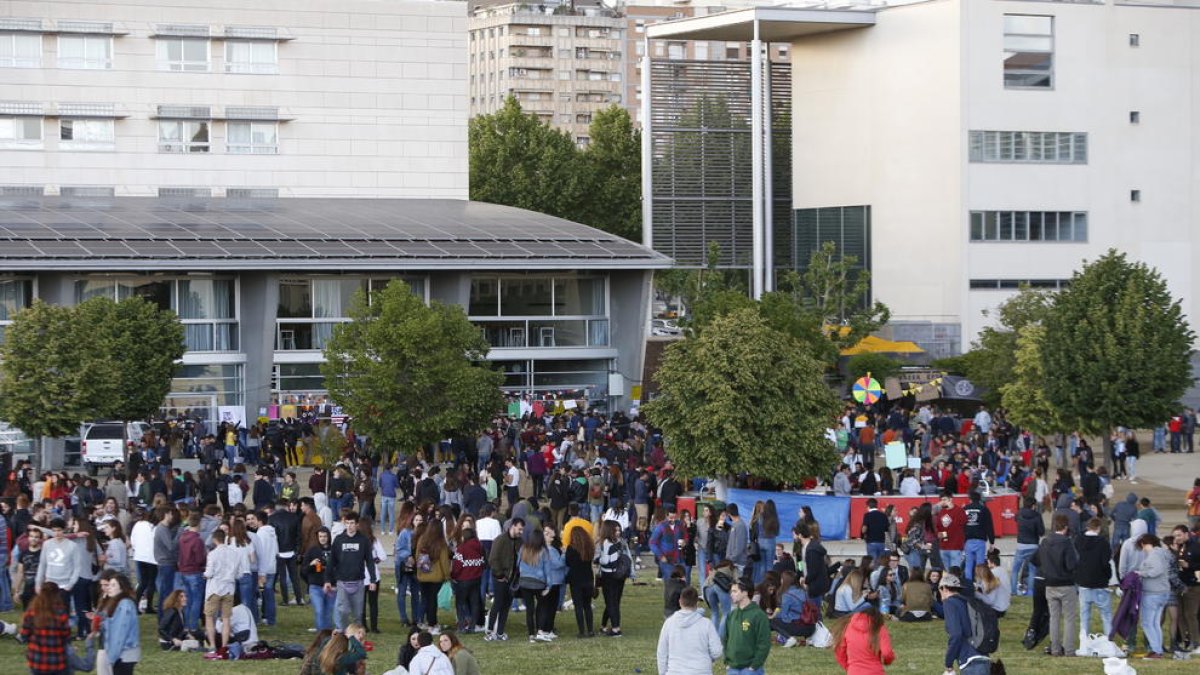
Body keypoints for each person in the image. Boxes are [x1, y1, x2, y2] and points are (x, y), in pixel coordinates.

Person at [328, 511, 379, 631]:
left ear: (357, 525)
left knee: (358, 614)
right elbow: (331, 562)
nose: (349, 526)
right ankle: (343, 633)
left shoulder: (363, 540)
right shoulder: (339, 540)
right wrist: (327, 580)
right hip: (342, 582)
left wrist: (372, 580)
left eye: (352, 523)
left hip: (358, 582)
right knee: (343, 611)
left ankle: (357, 637)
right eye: (347, 523)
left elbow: (370, 561)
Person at [1037, 513, 1079, 657]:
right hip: (1066, 584)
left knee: (1054, 618)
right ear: (1066, 527)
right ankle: (1069, 650)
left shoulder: (1045, 542)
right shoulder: (1066, 543)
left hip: (1050, 584)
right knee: (1069, 618)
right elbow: (1071, 564)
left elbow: (1039, 560)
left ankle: (1055, 649)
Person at [657, 586, 723, 675]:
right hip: (701, 671)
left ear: (680, 601)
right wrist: (706, 659)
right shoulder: (706, 624)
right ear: (696, 603)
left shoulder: (669, 623)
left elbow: (662, 653)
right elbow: (717, 651)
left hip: (675, 671)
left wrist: (663, 672)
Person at [939, 572, 989, 675]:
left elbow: (956, 634)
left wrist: (948, 662)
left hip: (970, 661)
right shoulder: (968, 602)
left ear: (944, 588)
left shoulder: (949, 603)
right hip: (984, 657)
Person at [484, 517, 524, 641]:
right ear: (512, 526)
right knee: (497, 604)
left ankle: (500, 631)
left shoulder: (519, 542)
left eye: (522, 530)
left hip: (512, 578)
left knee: (506, 606)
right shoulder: (500, 540)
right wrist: (499, 575)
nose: (520, 532)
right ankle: (490, 631)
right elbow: (493, 559)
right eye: (519, 529)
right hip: (500, 578)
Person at [20, 582, 72, 675]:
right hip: (57, 660)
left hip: (36, 659)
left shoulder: (32, 611)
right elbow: (66, 636)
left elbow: (24, 634)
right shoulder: (61, 612)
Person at [1135, 533, 1173, 659]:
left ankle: (1156, 650)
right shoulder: (1162, 553)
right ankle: (1157, 649)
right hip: (1162, 592)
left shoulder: (1154, 555)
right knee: (1155, 623)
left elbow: (1156, 570)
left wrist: (1141, 573)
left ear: (1143, 544)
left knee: (1147, 623)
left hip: (1153, 593)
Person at [722, 580, 771, 675]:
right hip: (732, 668)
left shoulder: (758, 615)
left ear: (745, 593)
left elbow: (764, 643)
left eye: (735, 591)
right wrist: (727, 661)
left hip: (750, 669)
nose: (731, 594)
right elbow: (726, 639)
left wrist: (754, 666)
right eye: (731, 591)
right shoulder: (731, 615)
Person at [1075, 516, 1113, 637]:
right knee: (1106, 615)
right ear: (1098, 528)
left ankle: (1084, 640)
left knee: (1084, 615)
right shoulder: (1103, 543)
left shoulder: (1078, 540)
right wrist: (1108, 576)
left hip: (1083, 582)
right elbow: (1105, 563)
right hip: (1100, 583)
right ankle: (1109, 641)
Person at [97, 570, 141, 674]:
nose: (109, 588)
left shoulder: (124, 604)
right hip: (120, 653)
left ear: (121, 587)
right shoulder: (117, 603)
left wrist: (112, 657)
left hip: (124, 654)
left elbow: (120, 632)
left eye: (113, 585)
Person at [413, 513, 450, 632]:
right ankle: (432, 624)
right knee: (432, 600)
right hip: (436, 577)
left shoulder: (422, 539)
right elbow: (444, 561)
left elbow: (417, 556)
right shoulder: (441, 543)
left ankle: (421, 621)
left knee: (425, 599)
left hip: (423, 575)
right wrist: (447, 575)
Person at [834, 605, 896, 675]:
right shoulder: (880, 629)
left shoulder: (848, 628)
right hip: (875, 671)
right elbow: (887, 653)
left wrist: (850, 667)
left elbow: (839, 651)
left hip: (854, 671)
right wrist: (888, 661)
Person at [517, 526, 554, 643]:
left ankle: (531, 634)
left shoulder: (523, 548)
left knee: (529, 609)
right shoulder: (543, 551)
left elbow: (517, 564)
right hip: (539, 583)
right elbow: (547, 570)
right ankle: (540, 631)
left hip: (524, 582)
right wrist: (549, 585)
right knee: (542, 607)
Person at [596, 519, 628, 637]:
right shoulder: (620, 542)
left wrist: (597, 560)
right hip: (620, 575)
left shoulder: (606, 543)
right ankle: (604, 625)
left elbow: (605, 561)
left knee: (610, 602)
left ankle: (615, 628)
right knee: (614, 602)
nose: (618, 532)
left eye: (619, 530)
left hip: (609, 576)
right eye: (616, 530)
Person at [450, 527, 485, 633]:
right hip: (476, 579)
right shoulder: (480, 547)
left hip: (463, 580)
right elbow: (484, 562)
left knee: (460, 603)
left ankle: (461, 626)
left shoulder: (461, 548)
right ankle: (472, 627)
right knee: (474, 603)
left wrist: (453, 576)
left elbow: (457, 565)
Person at [565, 526, 596, 637]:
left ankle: (582, 631)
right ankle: (591, 629)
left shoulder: (571, 548)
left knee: (578, 606)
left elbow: (567, 563)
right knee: (587, 606)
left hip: (575, 581)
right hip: (588, 579)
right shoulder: (589, 547)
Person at [302, 527, 335, 631]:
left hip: (332, 586)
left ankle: (327, 632)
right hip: (316, 586)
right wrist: (311, 564)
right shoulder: (312, 550)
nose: (323, 538)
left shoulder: (334, 550)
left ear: (329, 537)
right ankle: (321, 633)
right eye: (320, 536)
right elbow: (303, 570)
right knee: (319, 610)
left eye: (325, 536)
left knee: (329, 611)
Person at [1013, 496, 1044, 596]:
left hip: (1021, 545)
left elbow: (1015, 520)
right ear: (1033, 506)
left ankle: (1013, 591)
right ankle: (1030, 592)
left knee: (1015, 570)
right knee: (1032, 570)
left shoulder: (1019, 513)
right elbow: (1041, 532)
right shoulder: (1037, 516)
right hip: (1033, 545)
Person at [962, 491, 994, 582]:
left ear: (970, 499)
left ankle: (968, 585)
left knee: (968, 564)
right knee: (980, 565)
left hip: (968, 540)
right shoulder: (984, 509)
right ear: (980, 499)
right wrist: (992, 542)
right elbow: (989, 526)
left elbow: (961, 525)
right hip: (980, 540)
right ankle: (980, 584)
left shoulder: (964, 509)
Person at [936, 491, 967, 574]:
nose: (943, 502)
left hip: (955, 547)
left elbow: (963, 522)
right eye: (941, 500)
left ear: (951, 499)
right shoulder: (941, 512)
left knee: (955, 573)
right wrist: (938, 534)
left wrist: (952, 508)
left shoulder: (959, 510)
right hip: (943, 547)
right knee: (947, 573)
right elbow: (937, 526)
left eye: (945, 499)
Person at [704, 559, 736, 636]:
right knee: (726, 613)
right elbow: (737, 581)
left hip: (708, 587)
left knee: (714, 612)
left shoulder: (715, 569)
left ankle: (712, 636)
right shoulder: (732, 568)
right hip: (720, 587)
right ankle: (720, 637)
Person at [861, 499, 889, 563]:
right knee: (881, 563)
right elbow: (887, 529)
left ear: (868, 506)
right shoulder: (883, 515)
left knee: (872, 563)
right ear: (876, 505)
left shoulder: (867, 515)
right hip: (882, 542)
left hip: (871, 542)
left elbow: (864, 529)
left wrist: (863, 533)